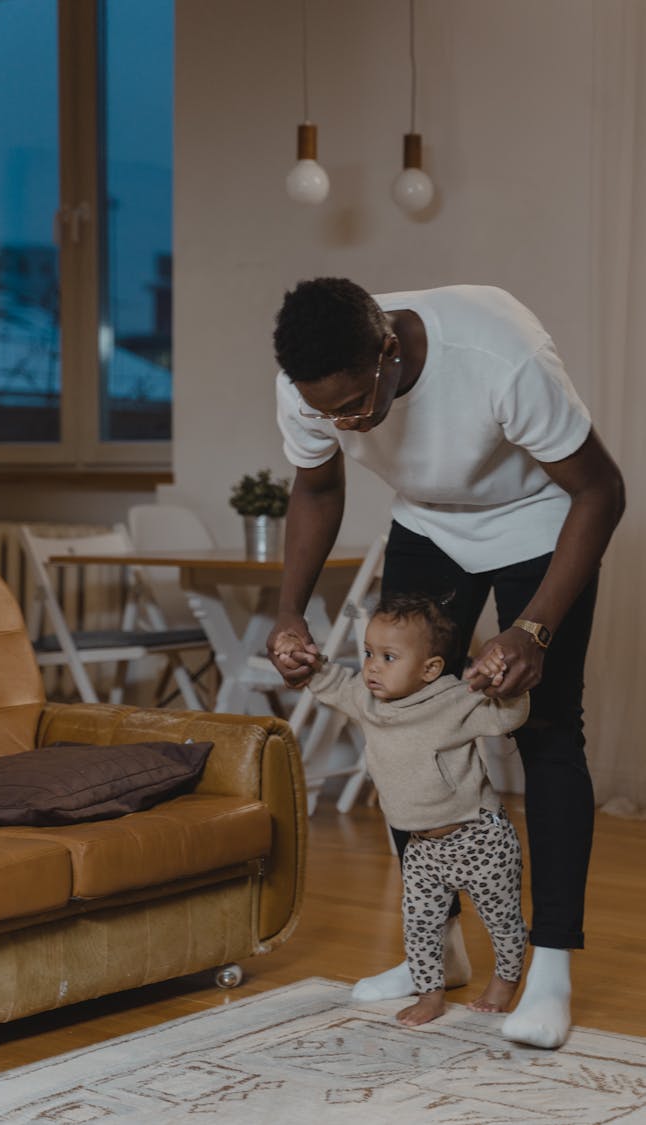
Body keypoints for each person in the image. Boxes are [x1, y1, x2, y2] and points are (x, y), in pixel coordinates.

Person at [267, 278, 625, 1049]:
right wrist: (290, 609)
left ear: (390, 351)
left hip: (541, 521)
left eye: (358, 404)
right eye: (329, 411)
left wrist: (532, 628)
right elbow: (317, 485)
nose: (347, 422)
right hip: (428, 526)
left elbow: (602, 489)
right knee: (397, 717)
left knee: (551, 731)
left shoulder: (499, 352)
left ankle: (552, 967)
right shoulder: (310, 383)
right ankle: (437, 953)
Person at [275, 593, 530, 1027]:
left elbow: (507, 716)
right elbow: (335, 683)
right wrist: (307, 662)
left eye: (389, 657)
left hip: (478, 836)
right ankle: (431, 992)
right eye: (369, 653)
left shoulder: (454, 700)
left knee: (501, 918)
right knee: (419, 925)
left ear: (430, 668)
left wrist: (501, 680)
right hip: (422, 848)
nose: (372, 666)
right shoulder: (368, 700)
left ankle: (505, 982)